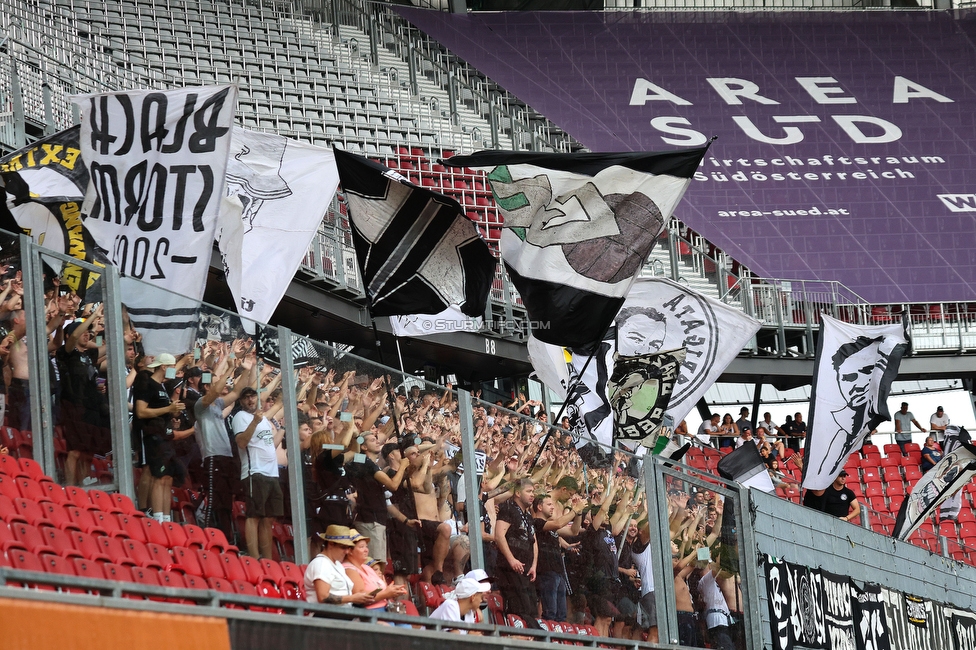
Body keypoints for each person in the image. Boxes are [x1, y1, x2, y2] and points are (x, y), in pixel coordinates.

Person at [194, 352, 254, 541]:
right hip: (213, 458)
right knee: (214, 501)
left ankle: (224, 540)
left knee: (226, 503)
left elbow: (236, 393)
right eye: (215, 381)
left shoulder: (218, 405)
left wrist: (246, 370)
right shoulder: (200, 405)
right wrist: (228, 369)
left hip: (226, 458)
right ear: (206, 386)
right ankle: (209, 538)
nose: (221, 384)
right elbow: (213, 393)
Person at [133, 353, 189, 523]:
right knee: (151, 471)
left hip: (162, 435)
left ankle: (160, 514)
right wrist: (167, 409)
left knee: (164, 475)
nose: (174, 370)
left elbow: (165, 409)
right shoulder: (147, 383)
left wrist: (174, 410)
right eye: (172, 366)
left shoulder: (162, 387)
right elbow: (141, 411)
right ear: (163, 367)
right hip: (148, 433)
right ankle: (145, 510)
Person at [233, 386, 285, 559]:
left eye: (253, 396)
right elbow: (241, 442)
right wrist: (254, 422)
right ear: (240, 401)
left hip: (271, 473)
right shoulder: (240, 417)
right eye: (246, 397)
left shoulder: (264, 418)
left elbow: (269, 444)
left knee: (268, 518)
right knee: (254, 515)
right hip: (254, 471)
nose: (250, 400)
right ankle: (254, 557)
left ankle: (267, 559)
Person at [494, 477, 541, 628]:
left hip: (526, 570)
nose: (532, 494)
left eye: (533, 491)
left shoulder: (528, 516)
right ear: (518, 493)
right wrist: (512, 560)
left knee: (532, 609)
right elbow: (499, 536)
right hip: (510, 570)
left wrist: (534, 566)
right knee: (519, 609)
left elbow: (534, 542)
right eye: (529, 491)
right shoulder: (508, 509)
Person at [304, 525, 375, 607]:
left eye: (348, 548)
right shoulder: (321, 563)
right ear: (331, 544)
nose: (347, 551)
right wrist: (352, 598)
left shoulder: (337, 564)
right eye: (343, 547)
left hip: (342, 614)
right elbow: (323, 597)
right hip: (325, 616)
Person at [343, 530, 408, 612]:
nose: (366, 550)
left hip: (385, 608)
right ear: (350, 551)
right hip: (370, 612)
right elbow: (361, 598)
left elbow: (382, 588)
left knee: (408, 624)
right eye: (361, 547)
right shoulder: (349, 569)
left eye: (366, 547)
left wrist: (393, 590)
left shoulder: (367, 567)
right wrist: (386, 594)